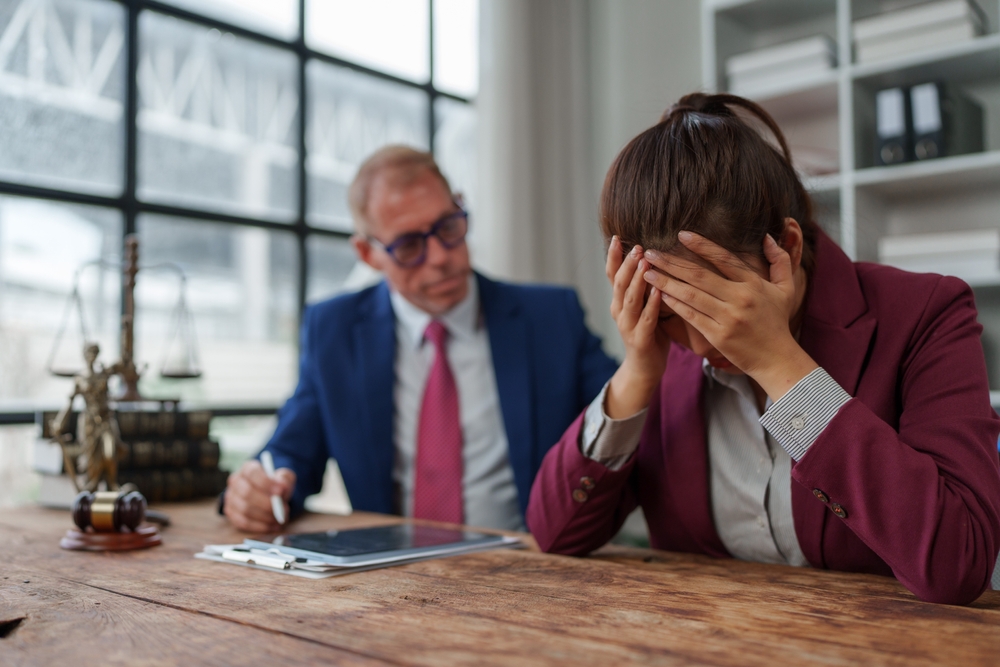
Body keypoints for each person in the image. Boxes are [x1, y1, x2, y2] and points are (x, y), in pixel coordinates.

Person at [526, 92, 1000, 605]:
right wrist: (637, 372)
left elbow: (958, 561)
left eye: (716, 307)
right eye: (670, 314)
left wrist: (783, 368)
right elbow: (555, 534)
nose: (700, 343)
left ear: (788, 249)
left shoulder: (926, 312)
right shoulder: (661, 352)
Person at [223, 145, 617, 533]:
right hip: (389, 574)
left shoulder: (551, 319)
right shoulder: (334, 330)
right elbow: (291, 452)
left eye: (448, 227)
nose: (440, 256)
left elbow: (630, 416)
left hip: (528, 568)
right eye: (410, 245)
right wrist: (257, 489)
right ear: (367, 253)